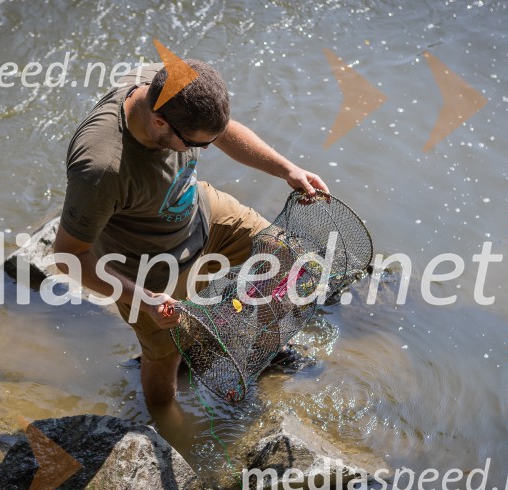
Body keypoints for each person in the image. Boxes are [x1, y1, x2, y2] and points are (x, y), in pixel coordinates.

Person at [53, 59, 327, 411]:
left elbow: (221, 132)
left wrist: (286, 169)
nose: (208, 148)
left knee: (283, 253)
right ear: (159, 122)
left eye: (211, 140)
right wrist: (144, 300)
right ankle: (163, 424)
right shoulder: (101, 169)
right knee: (165, 357)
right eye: (199, 144)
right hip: (150, 267)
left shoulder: (169, 81)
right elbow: (68, 256)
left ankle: (258, 350)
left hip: (200, 211)